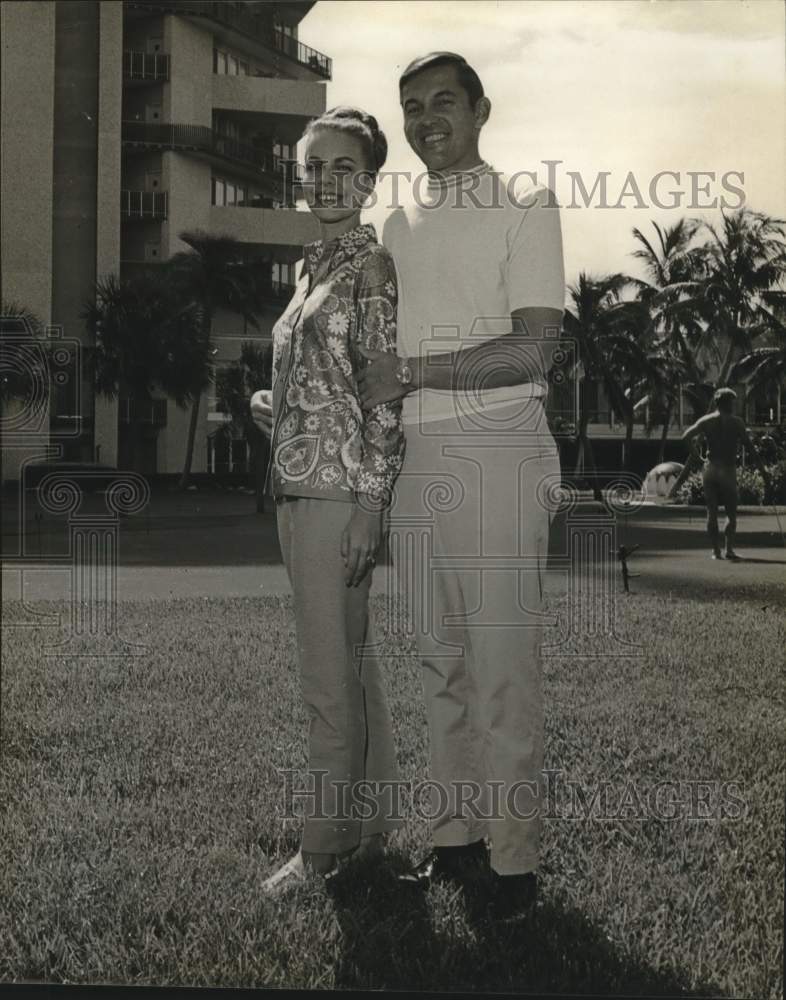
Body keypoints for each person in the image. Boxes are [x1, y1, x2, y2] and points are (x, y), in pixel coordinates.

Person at [356, 52, 565, 919]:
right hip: (418, 457)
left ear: (483, 109)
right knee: (438, 661)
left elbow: (532, 348)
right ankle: (454, 844)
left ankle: (513, 868)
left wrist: (411, 370)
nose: (426, 117)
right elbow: (370, 361)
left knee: (499, 669)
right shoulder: (395, 225)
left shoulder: (528, 204)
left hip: (501, 450)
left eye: (445, 101)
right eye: (412, 106)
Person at [250, 107, 406, 894]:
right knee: (355, 667)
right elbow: (334, 385)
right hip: (304, 485)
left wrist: (371, 508)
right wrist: (274, 407)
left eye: (343, 167)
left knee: (325, 679)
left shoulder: (367, 267)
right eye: (313, 167)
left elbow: (384, 398)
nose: (325, 181)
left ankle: (321, 852)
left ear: (370, 178)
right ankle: (372, 827)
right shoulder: (315, 268)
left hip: (335, 500)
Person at [677, 387, 771, 560]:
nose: (734, 405)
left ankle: (715, 551)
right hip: (727, 469)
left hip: (711, 467)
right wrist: (763, 471)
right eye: (732, 402)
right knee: (730, 512)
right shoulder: (736, 423)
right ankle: (728, 549)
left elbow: (685, 437)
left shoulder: (706, 420)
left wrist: (697, 457)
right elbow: (750, 449)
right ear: (727, 403)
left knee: (711, 512)